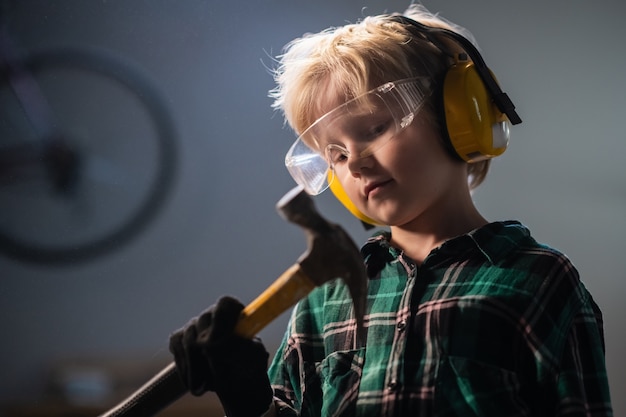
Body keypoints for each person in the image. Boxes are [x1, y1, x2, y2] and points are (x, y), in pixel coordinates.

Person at [169, 4, 613, 416]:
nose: (355, 161)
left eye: (374, 128)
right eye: (335, 154)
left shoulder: (540, 281)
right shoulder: (326, 298)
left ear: (460, 115)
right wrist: (249, 395)